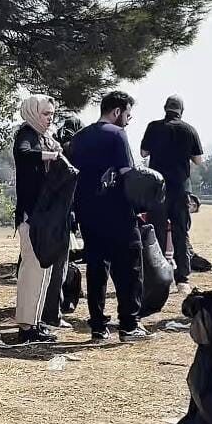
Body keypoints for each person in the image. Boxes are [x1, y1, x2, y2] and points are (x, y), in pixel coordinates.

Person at [71, 91, 148, 342]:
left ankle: (98, 326)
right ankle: (129, 324)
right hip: (118, 212)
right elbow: (128, 175)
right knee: (129, 268)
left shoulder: (79, 137)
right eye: (127, 114)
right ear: (117, 112)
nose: (128, 120)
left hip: (88, 212)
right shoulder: (118, 135)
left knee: (96, 269)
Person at [13, 94, 64, 343]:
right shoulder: (26, 134)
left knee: (43, 270)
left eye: (51, 114)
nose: (49, 118)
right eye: (45, 114)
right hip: (31, 215)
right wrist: (51, 155)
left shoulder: (45, 137)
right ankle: (26, 327)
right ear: (32, 113)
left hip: (44, 215)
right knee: (33, 269)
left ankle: (35, 321)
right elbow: (25, 154)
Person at [140, 95, 204, 292]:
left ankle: (156, 277)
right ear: (181, 110)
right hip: (180, 189)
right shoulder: (189, 129)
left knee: (156, 234)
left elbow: (143, 153)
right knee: (180, 233)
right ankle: (182, 279)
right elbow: (199, 160)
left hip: (157, 189)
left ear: (165, 108)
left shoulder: (153, 127)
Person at [42, 112, 84, 329]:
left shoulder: (53, 143)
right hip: (64, 212)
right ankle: (53, 310)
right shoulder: (74, 147)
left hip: (46, 213)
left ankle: (46, 307)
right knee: (61, 263)